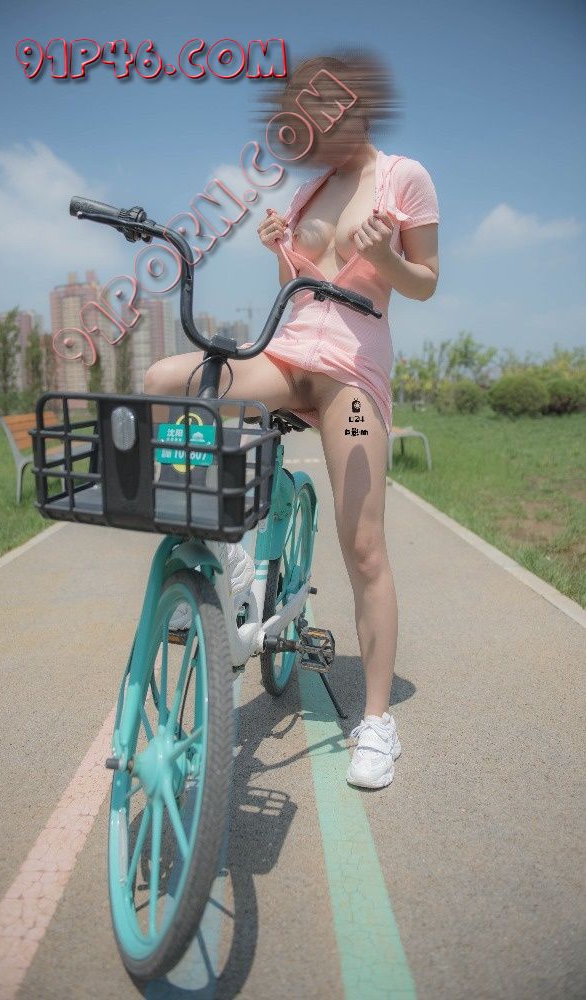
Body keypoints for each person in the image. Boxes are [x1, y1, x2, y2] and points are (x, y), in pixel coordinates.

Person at [143, 50, 439, 790]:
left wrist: (387, 257)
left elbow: (425, 282)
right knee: (163, 381)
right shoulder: (309, 193)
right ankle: (224, 556)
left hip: (351, 376)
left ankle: (377, 723)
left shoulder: (403, 177)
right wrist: (282, 247)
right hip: (286, 353)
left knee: (363, 546)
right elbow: (301, 291)